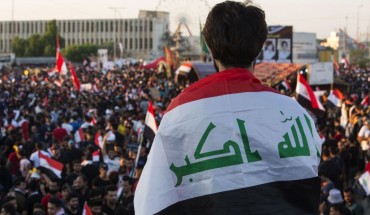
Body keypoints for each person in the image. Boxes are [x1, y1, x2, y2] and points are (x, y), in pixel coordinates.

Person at [134, 1, 322, 214]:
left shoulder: (180, 113)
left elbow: (152, 200)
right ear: (260, 48)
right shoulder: (294, 112)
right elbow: (308, 185)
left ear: (211, 49)